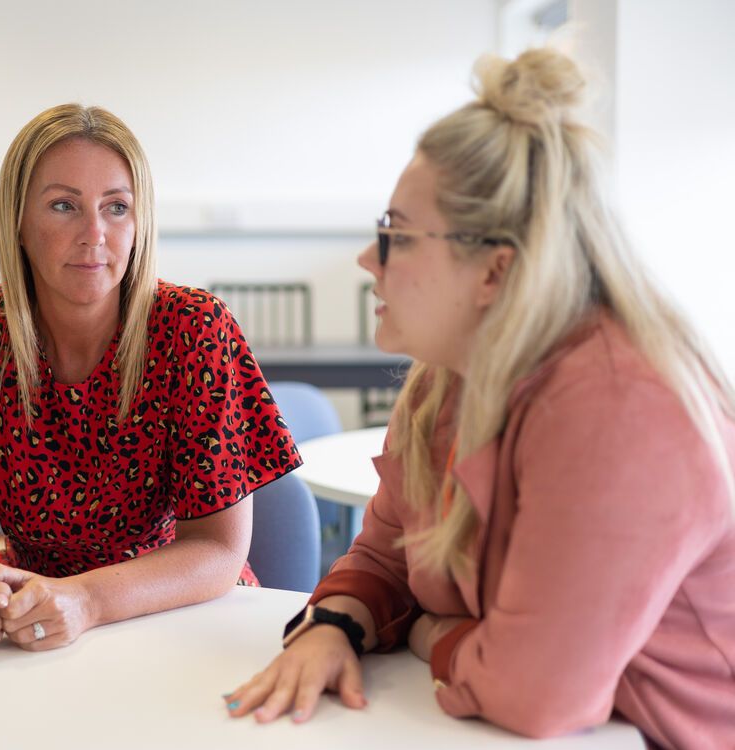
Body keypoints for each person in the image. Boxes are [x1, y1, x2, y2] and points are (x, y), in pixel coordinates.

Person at [225, 48, 735, 749]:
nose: (368, 261)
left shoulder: (621, 408)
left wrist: (432, 632)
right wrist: (336, 625)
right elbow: (381, 559)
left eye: (395, 237)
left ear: (493, 271)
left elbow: (536, 695)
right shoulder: (446, 378)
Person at [0, 104, 300, 653]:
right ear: (18, 219)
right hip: (32, 618)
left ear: (140, 222)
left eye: (116, 208)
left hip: (177, 616)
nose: (94, 234)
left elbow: (218, 552)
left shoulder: (194, 328)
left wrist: (85, 601)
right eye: (64, 206)